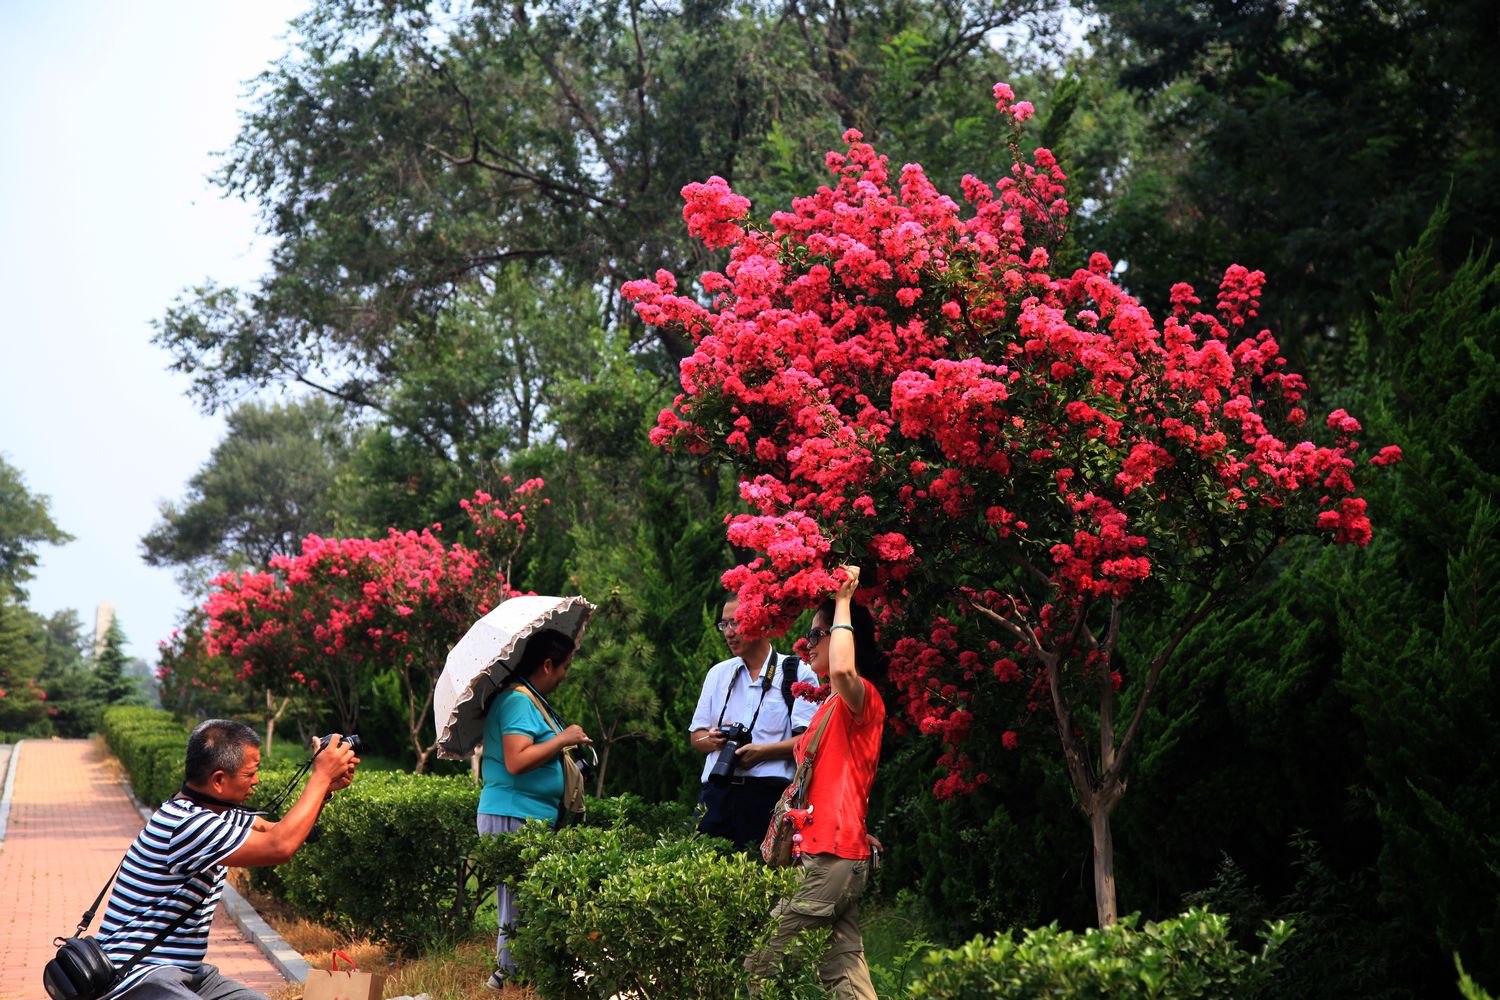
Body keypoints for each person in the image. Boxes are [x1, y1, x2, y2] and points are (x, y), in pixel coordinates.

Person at [96, 719, 359, 999]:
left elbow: (282, 831)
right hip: (137, 978)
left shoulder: (213, 812)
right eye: (251, 773)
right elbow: (280, 846)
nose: (257, 780)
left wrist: (325, 787)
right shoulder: (187, 824)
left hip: (188, 975)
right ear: (219, 780)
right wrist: (319, 777)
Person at [745, 565, 885, 1000]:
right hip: (833, 854)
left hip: (830, 857)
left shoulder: (859, 698)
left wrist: (843, 600)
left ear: (845, 637)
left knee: (759, 965)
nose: (806, 645)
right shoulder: (828, 705)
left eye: (817, 634)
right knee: (844, 975)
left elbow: (844, 672)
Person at [477, 627, 590, 993]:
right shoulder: (518, 701)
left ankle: (517, 972)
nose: (565, 674)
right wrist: (563, 739)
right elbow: (516, 760)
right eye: (565, 666)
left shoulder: (530, 698)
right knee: (516, 902)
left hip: (527, 813)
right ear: (547, 664)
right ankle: (506, 977)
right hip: (513, 812)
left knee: (525, 898)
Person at [690, 591, 821, 850]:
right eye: (724, 624)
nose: (729, 632)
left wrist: (763, 753)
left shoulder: (796, 672)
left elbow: (810, 742)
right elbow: (697, 737)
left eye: (735, 622)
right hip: (716, 794)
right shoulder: (718, 674)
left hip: (768, 796)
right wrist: (713, 739)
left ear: (760, 621)